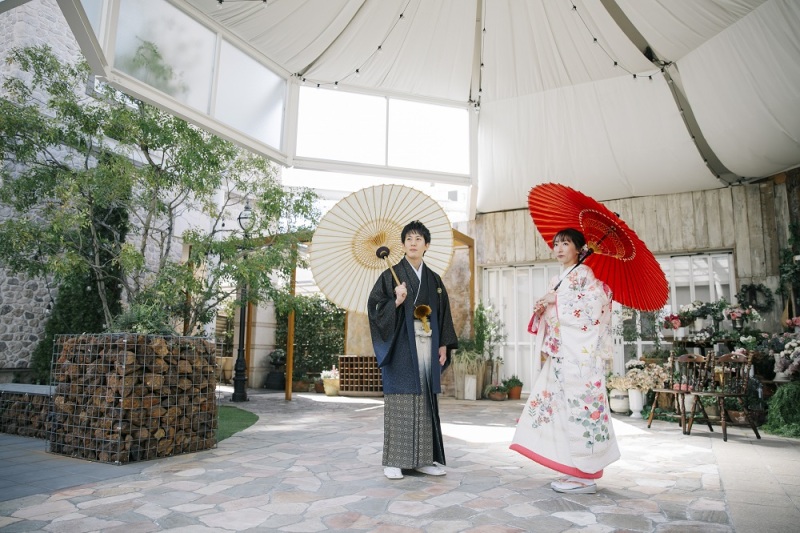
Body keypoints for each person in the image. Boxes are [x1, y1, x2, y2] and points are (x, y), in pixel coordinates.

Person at [509, 227, 619, 494]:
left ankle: (586, 475)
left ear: (579, 249)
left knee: (581, 411)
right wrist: (543, 309)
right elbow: (556, 314)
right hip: (562, 356)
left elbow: (595, 304)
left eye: (565, 243)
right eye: (556, 244)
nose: (558, 248)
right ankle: (572, 470)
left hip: (580, 360)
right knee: (560, 413)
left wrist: (557, 300)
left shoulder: (585, 276)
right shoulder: (559, 278)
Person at [368, 220, 458, 480]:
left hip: (427, 343)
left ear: (426, 245)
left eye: (418, 239)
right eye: (409, 239)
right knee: (401, 398)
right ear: (403, 245)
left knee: (425, 401)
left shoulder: (434, 280)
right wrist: (395, 301)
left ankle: (422, 459)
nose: (413, 243)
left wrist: (443, 344)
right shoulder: (390, 275)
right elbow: (374, 309)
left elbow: (443, 314)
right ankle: (394, 461)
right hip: (400, 346)